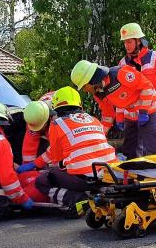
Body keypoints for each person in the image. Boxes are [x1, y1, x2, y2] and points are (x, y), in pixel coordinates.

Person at [34, 87, 118, 217]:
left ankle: (76, 199)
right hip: (109, 173)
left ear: (55, 106)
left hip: (84, 179)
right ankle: (99, 193)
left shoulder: (57, 124)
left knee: (43, 180)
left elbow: (56, 159)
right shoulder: (94, 119)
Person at [71, 59, 156, 159]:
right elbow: (108, 114)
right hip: (131, 114)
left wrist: (143, 111)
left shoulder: (120, 74)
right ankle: (135, 173)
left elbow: (147, 87)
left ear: (91, 80)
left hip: (149, 109)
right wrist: (101, 134)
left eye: (84, 86)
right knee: (131, 151)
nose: (84, 90)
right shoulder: (99, 93)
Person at [118, 23, 156, 150]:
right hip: (132, 117)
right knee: (133, 157)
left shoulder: (153, 57)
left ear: (138, 41)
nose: (126, 46)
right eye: (125, 42)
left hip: (153, 113)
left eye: (129, 42)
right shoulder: (122, 64)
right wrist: (120, 116)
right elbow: (121, 94)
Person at [19, 92, 55, 166]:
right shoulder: (33, 116)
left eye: (40, 127)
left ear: (48, 118)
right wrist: (27, 165)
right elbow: (29, 147)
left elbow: (56, 148)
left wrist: (36, 163)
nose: (37, 130)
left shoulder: (58, 121)